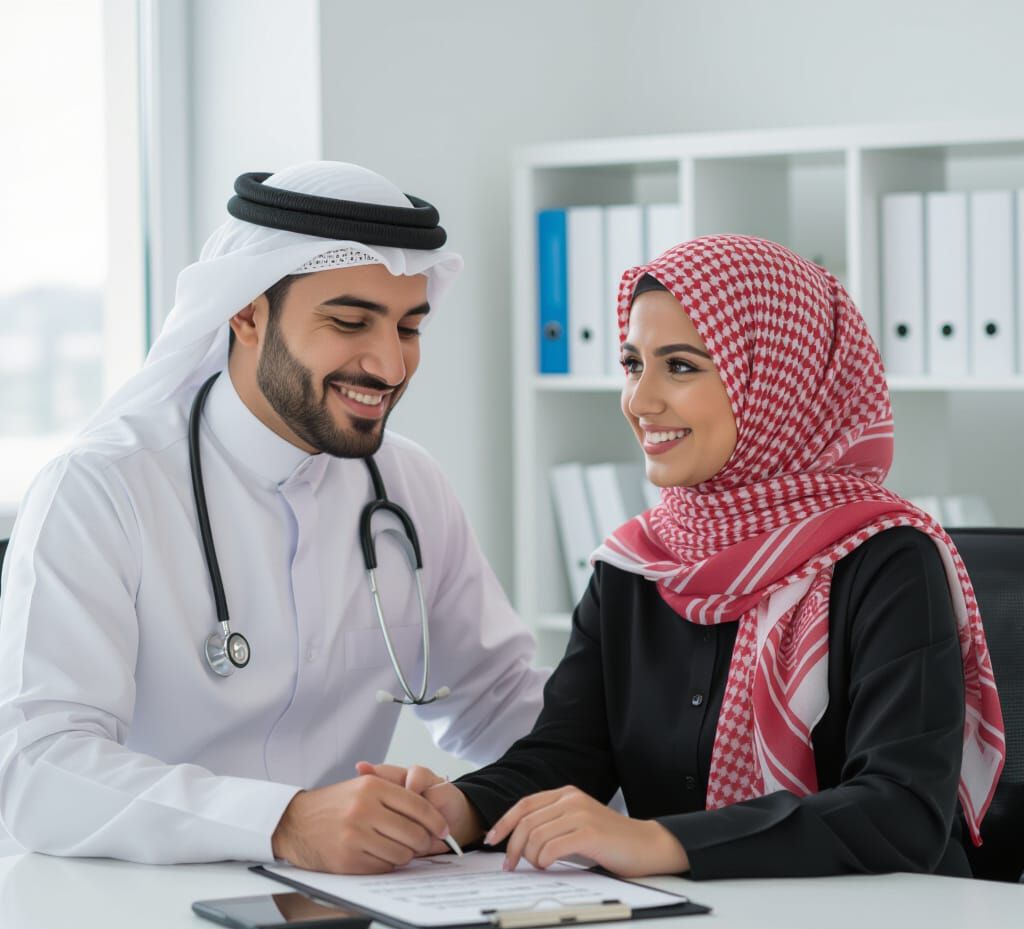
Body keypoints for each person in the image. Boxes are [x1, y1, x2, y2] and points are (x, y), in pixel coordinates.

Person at [369, 234, 1006, 880]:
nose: (639, 401)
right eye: (632, 364)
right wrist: (457, 809)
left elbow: (900, 812)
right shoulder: (636, 564)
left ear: (776, 381)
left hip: (888, 927)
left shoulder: (889, 560)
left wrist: (659, 842)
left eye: (679, 366)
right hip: (702, 924)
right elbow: (567, 755)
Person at [0, 161, 546, 871]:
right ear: (247, 314)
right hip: (136, 908)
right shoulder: (102, 488)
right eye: (349, 322)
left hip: (350, 905)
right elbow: (40, 767)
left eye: (409, 327)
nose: (390, 365)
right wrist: (282, 822)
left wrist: (657, 803)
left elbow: (500, 703)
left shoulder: (408, 483)